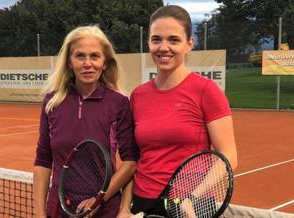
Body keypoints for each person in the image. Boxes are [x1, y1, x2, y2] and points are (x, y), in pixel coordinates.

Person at [117, 5, 238, 218]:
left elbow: (228, 155)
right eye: (156, 40)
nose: (164, 47)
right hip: (142, 201)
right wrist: (124, 207)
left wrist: (192, 198)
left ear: (188, 44)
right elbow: (133, 159)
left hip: (189, 205)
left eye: (173, 40)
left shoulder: (207, 91)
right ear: (149, 43)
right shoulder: (138, 95)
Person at [33, 25, 139, 218]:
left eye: (95, 56)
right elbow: (43, 159)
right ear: (69, 62)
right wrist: (40, 214)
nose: (87, 63)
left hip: (105, 211)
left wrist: (100, 198)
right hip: (59, 209)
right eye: (80, 56)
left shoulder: (118, 103)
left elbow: (130, 161)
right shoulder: (52, 102)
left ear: (105, 62)